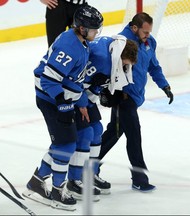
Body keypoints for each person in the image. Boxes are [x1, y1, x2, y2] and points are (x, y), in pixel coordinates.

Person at [22, 5, 103, 211]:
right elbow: (49, 80)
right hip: (50, 98)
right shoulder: (70, 46)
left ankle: (37, 182)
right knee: (66, 144)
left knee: (73, 138)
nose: (96, 33)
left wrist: (80, 102)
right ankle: (57, 190)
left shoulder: (80, 42)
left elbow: (75, 78)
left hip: (63, 98)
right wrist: (63, 105)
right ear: (82, 28)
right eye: (93, 29)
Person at [96, 12, 174, 192]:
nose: (148, 35)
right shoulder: (121, 43)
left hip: (136, 96)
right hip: (123, 98)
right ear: (134, 28)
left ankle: (89, 165)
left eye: (149, 32)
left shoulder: (149, 42)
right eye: (145, 32)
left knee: (113, 134)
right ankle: (140, 178)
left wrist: (164, 85)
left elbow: (153, 66)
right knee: (134, 136)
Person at [66, 35, 138, 199]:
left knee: (97, 130)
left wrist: (97, 92)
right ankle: (74, 180)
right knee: (85, 135)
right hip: (71, 94)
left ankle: (89, 174)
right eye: (125, 63)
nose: (125, 67)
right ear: (120, 56)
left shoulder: (114, 46)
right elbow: (78, 81)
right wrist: (83, 102)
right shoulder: (102, 60)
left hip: (83, 94)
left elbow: (93, 82)